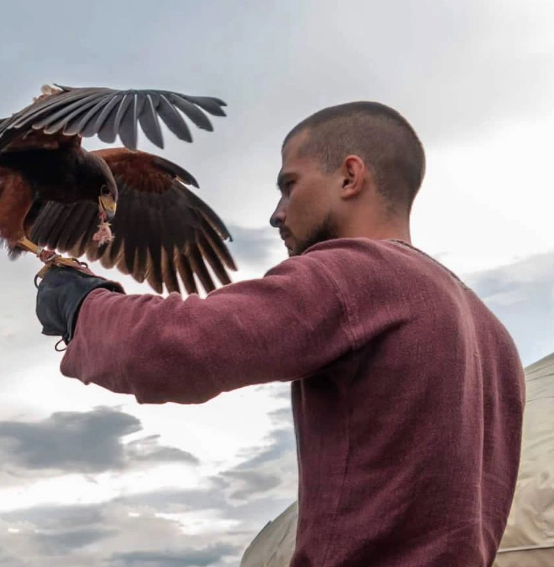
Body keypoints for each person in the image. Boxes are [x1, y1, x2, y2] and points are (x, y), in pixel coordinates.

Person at [35, 101, 526, 567]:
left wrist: (81, 304)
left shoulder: (358, 274)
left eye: (289, 186)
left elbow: (177, 348)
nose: (277, 212)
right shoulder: (492, 336)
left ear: (350, 177)